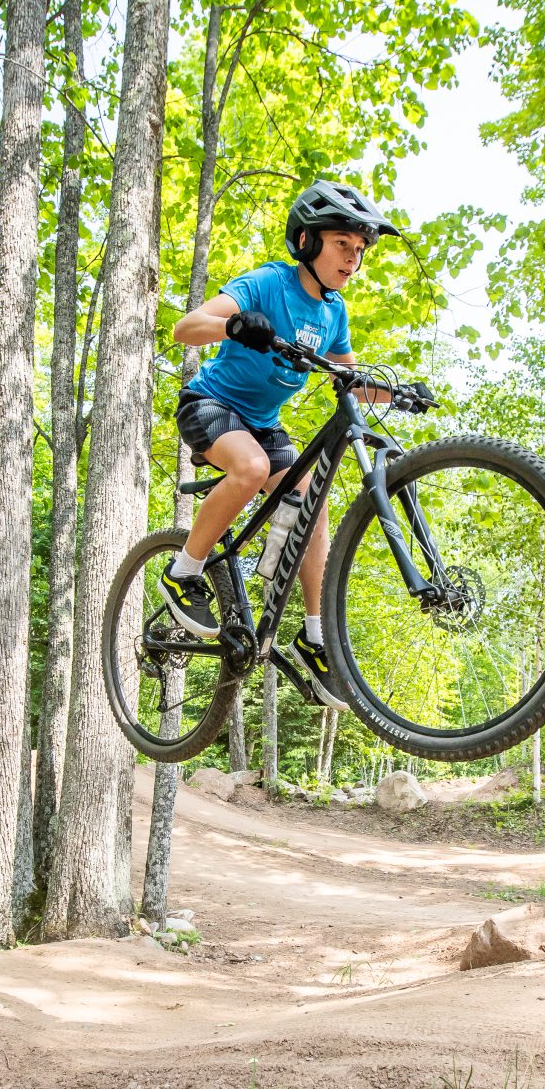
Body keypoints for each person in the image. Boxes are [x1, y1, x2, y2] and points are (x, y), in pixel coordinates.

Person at [163, 179, 401, 710]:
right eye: (343, 245)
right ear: (309, 241)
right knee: (248, 469)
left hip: (263, 424)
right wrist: (234, 325)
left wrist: (397, 390)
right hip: (210, 406)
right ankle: (183, 573)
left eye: (360, 250)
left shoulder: (333, 312)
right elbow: (187, 328)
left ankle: (315, 637)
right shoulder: (269, 282)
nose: (353, 260)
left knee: (313, 503)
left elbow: (350, 379)